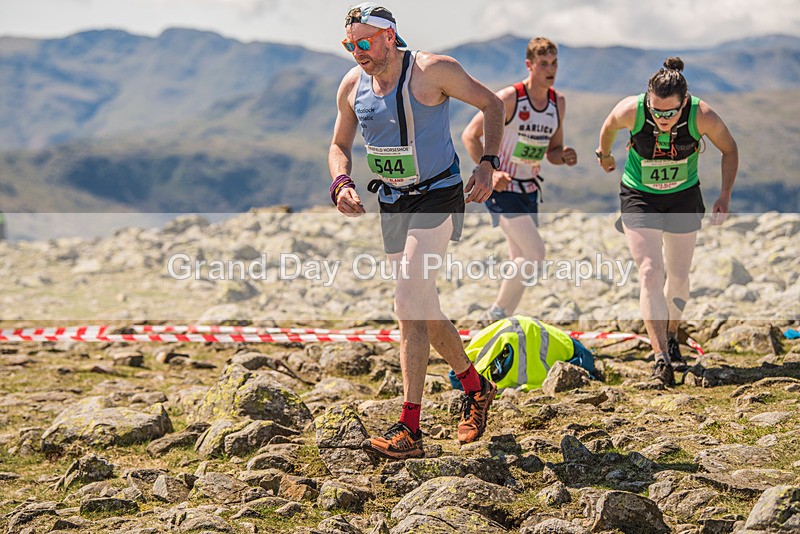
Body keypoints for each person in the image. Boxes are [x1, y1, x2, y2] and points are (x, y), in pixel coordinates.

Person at [329, 2, 505, 459]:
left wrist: (487, 164)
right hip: (392, 200)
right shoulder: (352, 85)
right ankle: (475, 385)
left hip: (438, 195)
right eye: (350, 44)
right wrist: (341, 181)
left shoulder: (432, 71)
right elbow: (338, 144)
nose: (357, 52)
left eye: (365, 42)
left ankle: (410, 428)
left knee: (407, 301)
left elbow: (492, 105)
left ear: (390, 36)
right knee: (424, 308)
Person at [597, 57, 738, 386]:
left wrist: (725, 196)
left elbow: (730, 149)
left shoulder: (701, 115)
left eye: (670, 112)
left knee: (678, 276)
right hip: (639, 196)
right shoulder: (632, 109)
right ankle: (660, 357)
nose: (662, 118)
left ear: (684, 103)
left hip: (683, 198)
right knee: (649, 271)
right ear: (648, 100)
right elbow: (608, 128)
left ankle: (672, 334)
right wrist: (603, 155)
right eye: (656, 111)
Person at [461, 37, 577, 322]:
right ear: (529, 65)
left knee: (521, 261)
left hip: (529, 189)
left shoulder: (557, 103)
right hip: (502, 188)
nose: (550, 70)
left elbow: (552, 151)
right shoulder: (511, 98)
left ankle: (501, 323)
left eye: (554, 63)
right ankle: (494, 313)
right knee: (535, 253)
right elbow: (470, 135)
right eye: (543, 64)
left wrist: (564, 155)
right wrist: (490, 170)